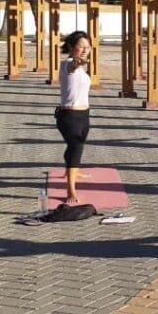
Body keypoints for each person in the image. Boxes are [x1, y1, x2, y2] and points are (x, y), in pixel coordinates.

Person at [56, 31, 93, 205]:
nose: (85, 49)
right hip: (69, 116)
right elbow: (73, 66)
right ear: (71, 47)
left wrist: (82, 63)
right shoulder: (67, 64)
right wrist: (79, 62)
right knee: (75, 147)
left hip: (83, 115)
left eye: (88, 47)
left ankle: (72, 170)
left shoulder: (82, 69)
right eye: (81, 46)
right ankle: (70, 189)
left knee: (76, 147)